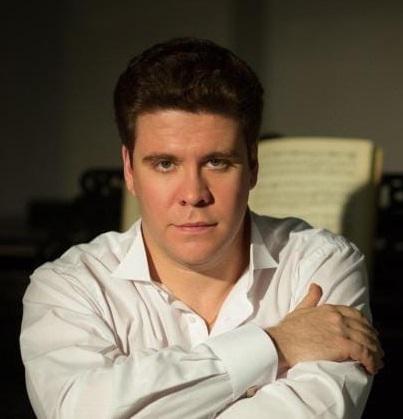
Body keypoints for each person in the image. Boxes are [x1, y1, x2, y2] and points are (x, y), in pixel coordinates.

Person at [20, 37, 383, 418]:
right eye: (165, 164)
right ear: (129, 170)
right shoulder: (70, 287)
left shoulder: (320, 266)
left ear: (253, 166)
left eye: (217, 162)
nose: (193, 194)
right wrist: (275, 344)